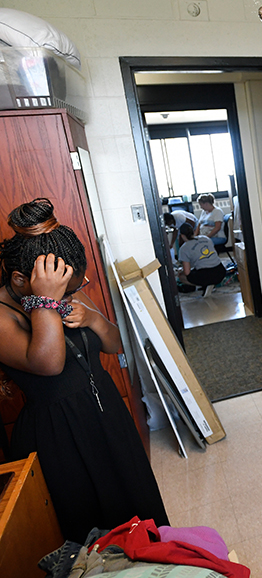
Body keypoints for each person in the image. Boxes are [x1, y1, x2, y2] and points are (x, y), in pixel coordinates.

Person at [0, 198, 169, 543]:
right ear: (20, 280)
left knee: (136, 506)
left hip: (106, 412)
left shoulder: (71, 294)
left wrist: (93, 318)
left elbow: (115, 344)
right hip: (57, 433)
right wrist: (45, 301)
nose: (71, 294)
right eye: (64, 288)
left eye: (73, 287)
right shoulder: (3, 316)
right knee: (89, 529)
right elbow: (48, 363)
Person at [177, 222, 226, 297]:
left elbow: (187, 272)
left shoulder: (184, 248)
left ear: (182, 236)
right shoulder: (205, 238)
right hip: (220, 271)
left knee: (182, 277)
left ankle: (203, 285)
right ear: (194, 231)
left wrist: (181, 272)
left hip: (204, 275)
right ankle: (209, 285)